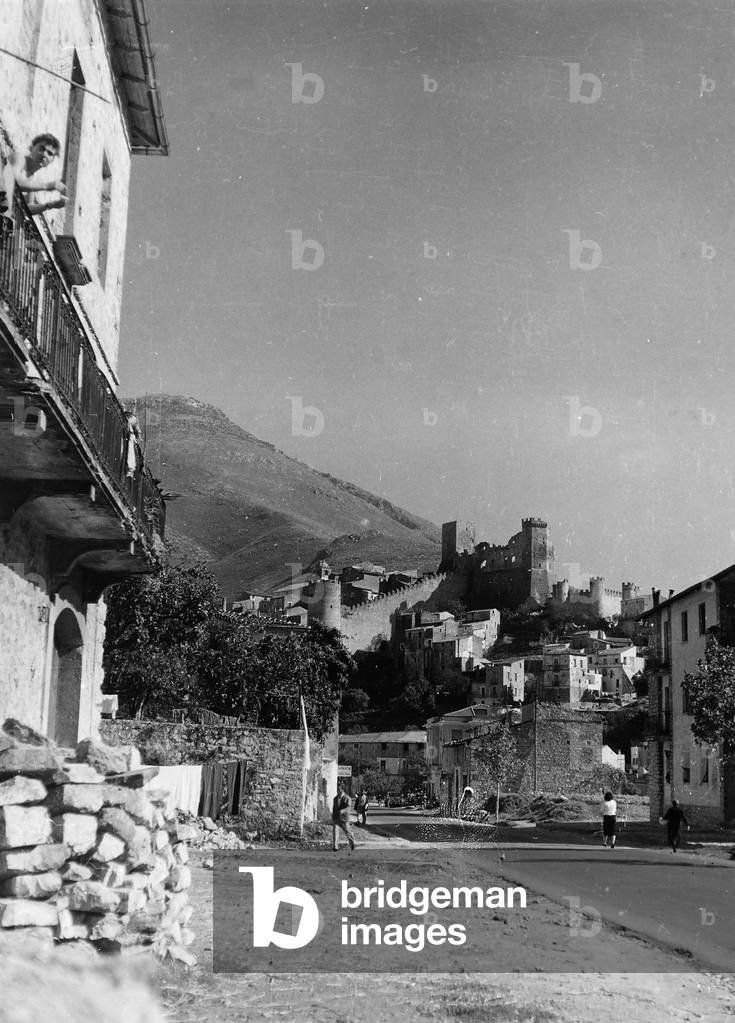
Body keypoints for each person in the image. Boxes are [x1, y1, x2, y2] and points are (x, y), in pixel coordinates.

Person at [7, 135, 67, 216]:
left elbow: (27, 209)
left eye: (50, 153)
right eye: (41, 148)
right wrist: (47, 186)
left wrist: (49, 205)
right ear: (31, 147)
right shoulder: (19, 158)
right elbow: (14, 182)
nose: (44, 154)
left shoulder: (31, 180)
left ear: (52, 161)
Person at [332, 783, 355, 852]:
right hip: (336, 818)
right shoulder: (335, 798)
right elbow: (334, 808)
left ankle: (352, 843)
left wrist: (343, 811)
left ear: (342, 789)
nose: (337, 790)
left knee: (348, 832)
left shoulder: (347, 798)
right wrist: (333, 815)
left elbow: (349, 807)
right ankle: (335, 846)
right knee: (335, 831)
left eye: (338, 789)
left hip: (344, 818)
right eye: (337, 789)